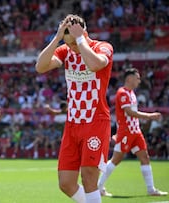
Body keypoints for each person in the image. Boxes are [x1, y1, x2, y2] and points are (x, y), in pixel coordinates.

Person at [35, 14, 114, 203]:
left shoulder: (102, 47)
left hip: (96, 120)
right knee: (66, 183)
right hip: (73, 124)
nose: (71, 48)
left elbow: (95, 64)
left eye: (74, 43)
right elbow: (40, 67)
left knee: (88, 177)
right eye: (68, 43)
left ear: (83, 33)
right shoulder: (65, 50)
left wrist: (80, 40)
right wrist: (57, 38)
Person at [98, 68, 168, 197]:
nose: (139, 81)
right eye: (137, 78)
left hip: (135, 131)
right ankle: (98, 186)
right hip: (126, 132)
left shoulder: (131, 93)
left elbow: (132, 113)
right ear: (129, 79)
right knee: (116, 159)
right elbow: (129, 112)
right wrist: (150, 116)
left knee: (145, 157)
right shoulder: (122, 93)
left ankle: (151, 189)